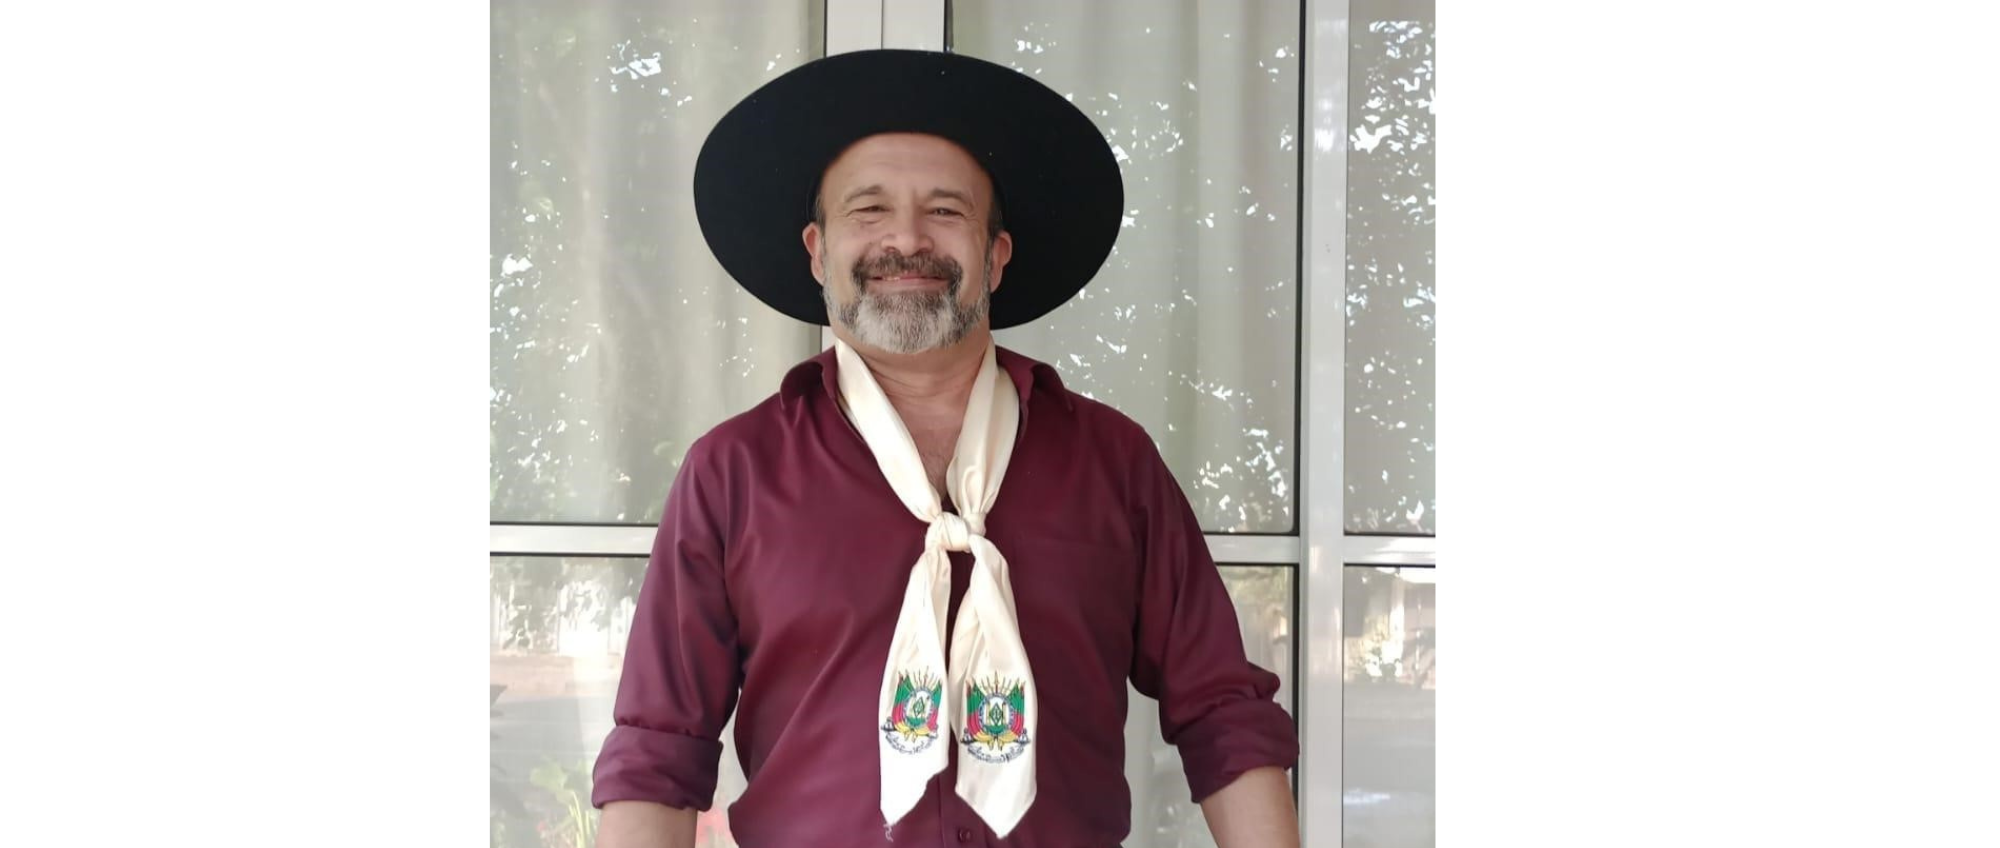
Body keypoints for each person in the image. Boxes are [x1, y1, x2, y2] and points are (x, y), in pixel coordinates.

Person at [591, 49, 1299, 848]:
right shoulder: (733, 472)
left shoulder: (1113, 463)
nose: (906, 238)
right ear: (818, 251)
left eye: (946, 211)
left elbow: (1223, 714)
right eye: (868, 210)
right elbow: (660, 750)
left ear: (994, 256)